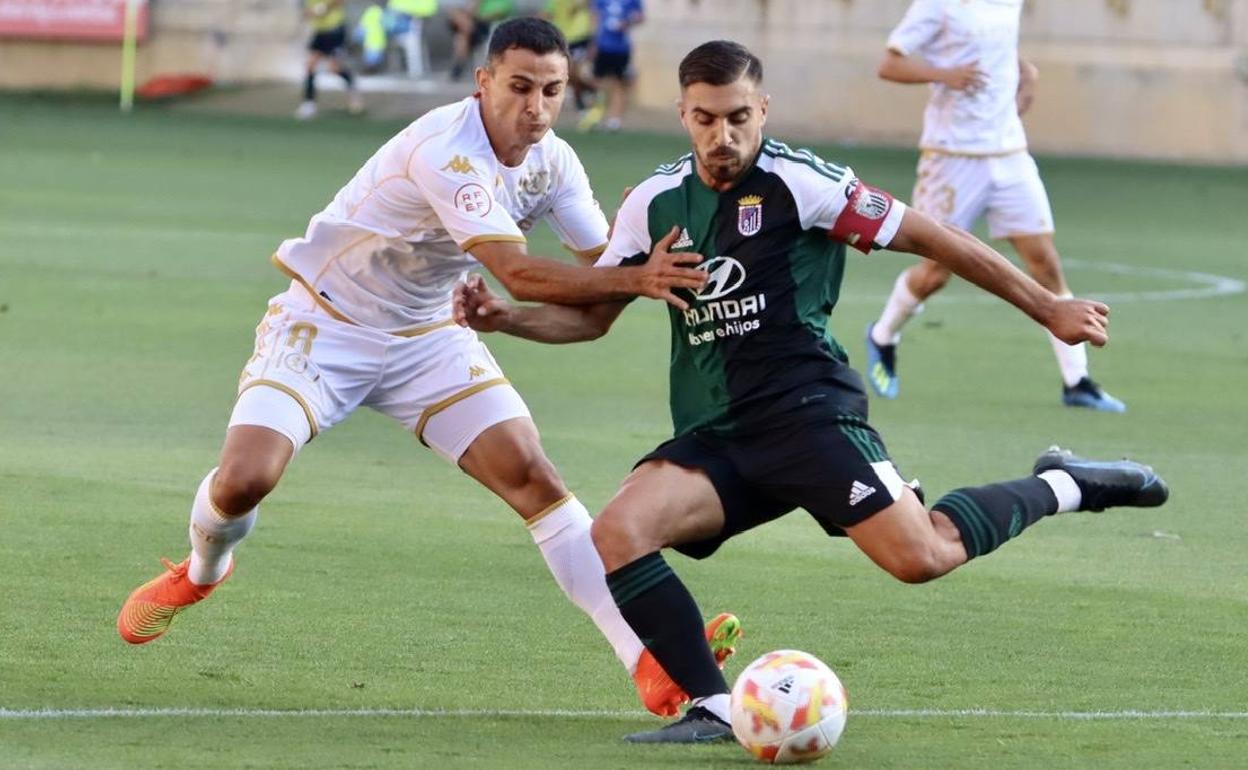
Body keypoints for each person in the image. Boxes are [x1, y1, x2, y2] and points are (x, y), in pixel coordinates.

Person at [453, 40, 1169, 743]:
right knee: (617, 534)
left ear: (762, 109)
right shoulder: (654, 202)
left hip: (809, 416)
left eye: (738, 116)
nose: (723, 135)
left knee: (921, 557)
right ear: (682, 113)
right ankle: (711, 706)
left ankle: (1063, 484)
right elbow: (593, 318)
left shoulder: (804, 184)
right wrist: (506, 320)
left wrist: (1048, 306)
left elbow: (935, 237)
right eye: (705, 118)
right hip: (720, 434)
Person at [116, 18, 740, 721]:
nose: (535, 107)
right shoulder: (448, 150)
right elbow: (519, 273)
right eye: (520, 87)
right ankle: (202, 572)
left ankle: (647, 659)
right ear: (484, 83)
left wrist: (671, 247)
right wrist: (638, 280)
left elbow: (601, 268)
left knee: (535, 480)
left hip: (429, 335)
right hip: (326, 324)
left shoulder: (555, 162)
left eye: (553, 90)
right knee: (244, 481)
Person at [864, 0, 1125, 411]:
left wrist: (1023, 68)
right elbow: (889, 65)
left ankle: (1078, 381)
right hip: (951, 156)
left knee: (1045, 264)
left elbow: (994, 40)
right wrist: (944, 75)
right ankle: (883, 335)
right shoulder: (938, 6)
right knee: (935, 272)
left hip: (1009, 152)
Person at [579, 0, 643, 132]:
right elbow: (594, 18)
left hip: (621, 48)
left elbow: (640, 16)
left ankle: (615, 120)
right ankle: (596, 114)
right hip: (602, 46)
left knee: (619, 83)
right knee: (595, 80)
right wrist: (592, 42)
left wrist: (628, 21)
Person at [297, 0, 364, 119]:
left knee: (334, 68)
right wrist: (309, 13)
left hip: (335, 30)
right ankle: (309, 104)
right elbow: (306, 11)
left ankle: (353, 93)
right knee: (310, 66)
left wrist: (323, 7)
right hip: (320, 32)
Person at [544, 0, 597, 114]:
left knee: (574, 71)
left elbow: (593, 10)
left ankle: (590, 92)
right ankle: (585, 96)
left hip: (580, 36)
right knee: (567, 74)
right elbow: (548, 13)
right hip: (563, 37)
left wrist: (594, 36)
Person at [448, 0, 515, 81]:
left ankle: (459, 65)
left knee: (463, 35)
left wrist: (480, 16)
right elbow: (466, 11)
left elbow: (502, 11)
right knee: (462, 34)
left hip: (488, 23)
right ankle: (474, 37)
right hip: (475, 23)